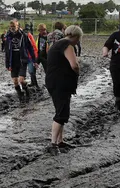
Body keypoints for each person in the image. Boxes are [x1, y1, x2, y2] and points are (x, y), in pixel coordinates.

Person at [45, 25, 82, 155]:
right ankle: (53, 144)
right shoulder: (67, 45)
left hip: (53, 81)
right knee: (61, 113)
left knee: (61, 111)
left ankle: (60, 141)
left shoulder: (57, 44)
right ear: (76, 37)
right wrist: (78, 71)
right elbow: (74, 64)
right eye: (79, 39)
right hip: (60, 83)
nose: (78, 42)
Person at [5, 20, 37, 102]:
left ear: (18, 26)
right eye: (11, 27)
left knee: (21, 80)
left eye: (14, 27)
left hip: (22, 60)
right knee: (15, 81)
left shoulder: (23, 35)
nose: (12, 29)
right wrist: (7, 64)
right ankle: (20, 95)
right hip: (13, 61)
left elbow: (30, 48)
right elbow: (7, 51)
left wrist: (34, 60)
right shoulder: (8, 36)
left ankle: (27, 91)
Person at [24, 24, 41, 90]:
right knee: (31, 71)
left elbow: (33, 47)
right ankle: (33, 83)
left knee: (31, 71)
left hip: (30, 56)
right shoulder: (29, 36)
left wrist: (34, 56)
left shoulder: (28, 37)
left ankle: (36, 84)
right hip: (29, 55)